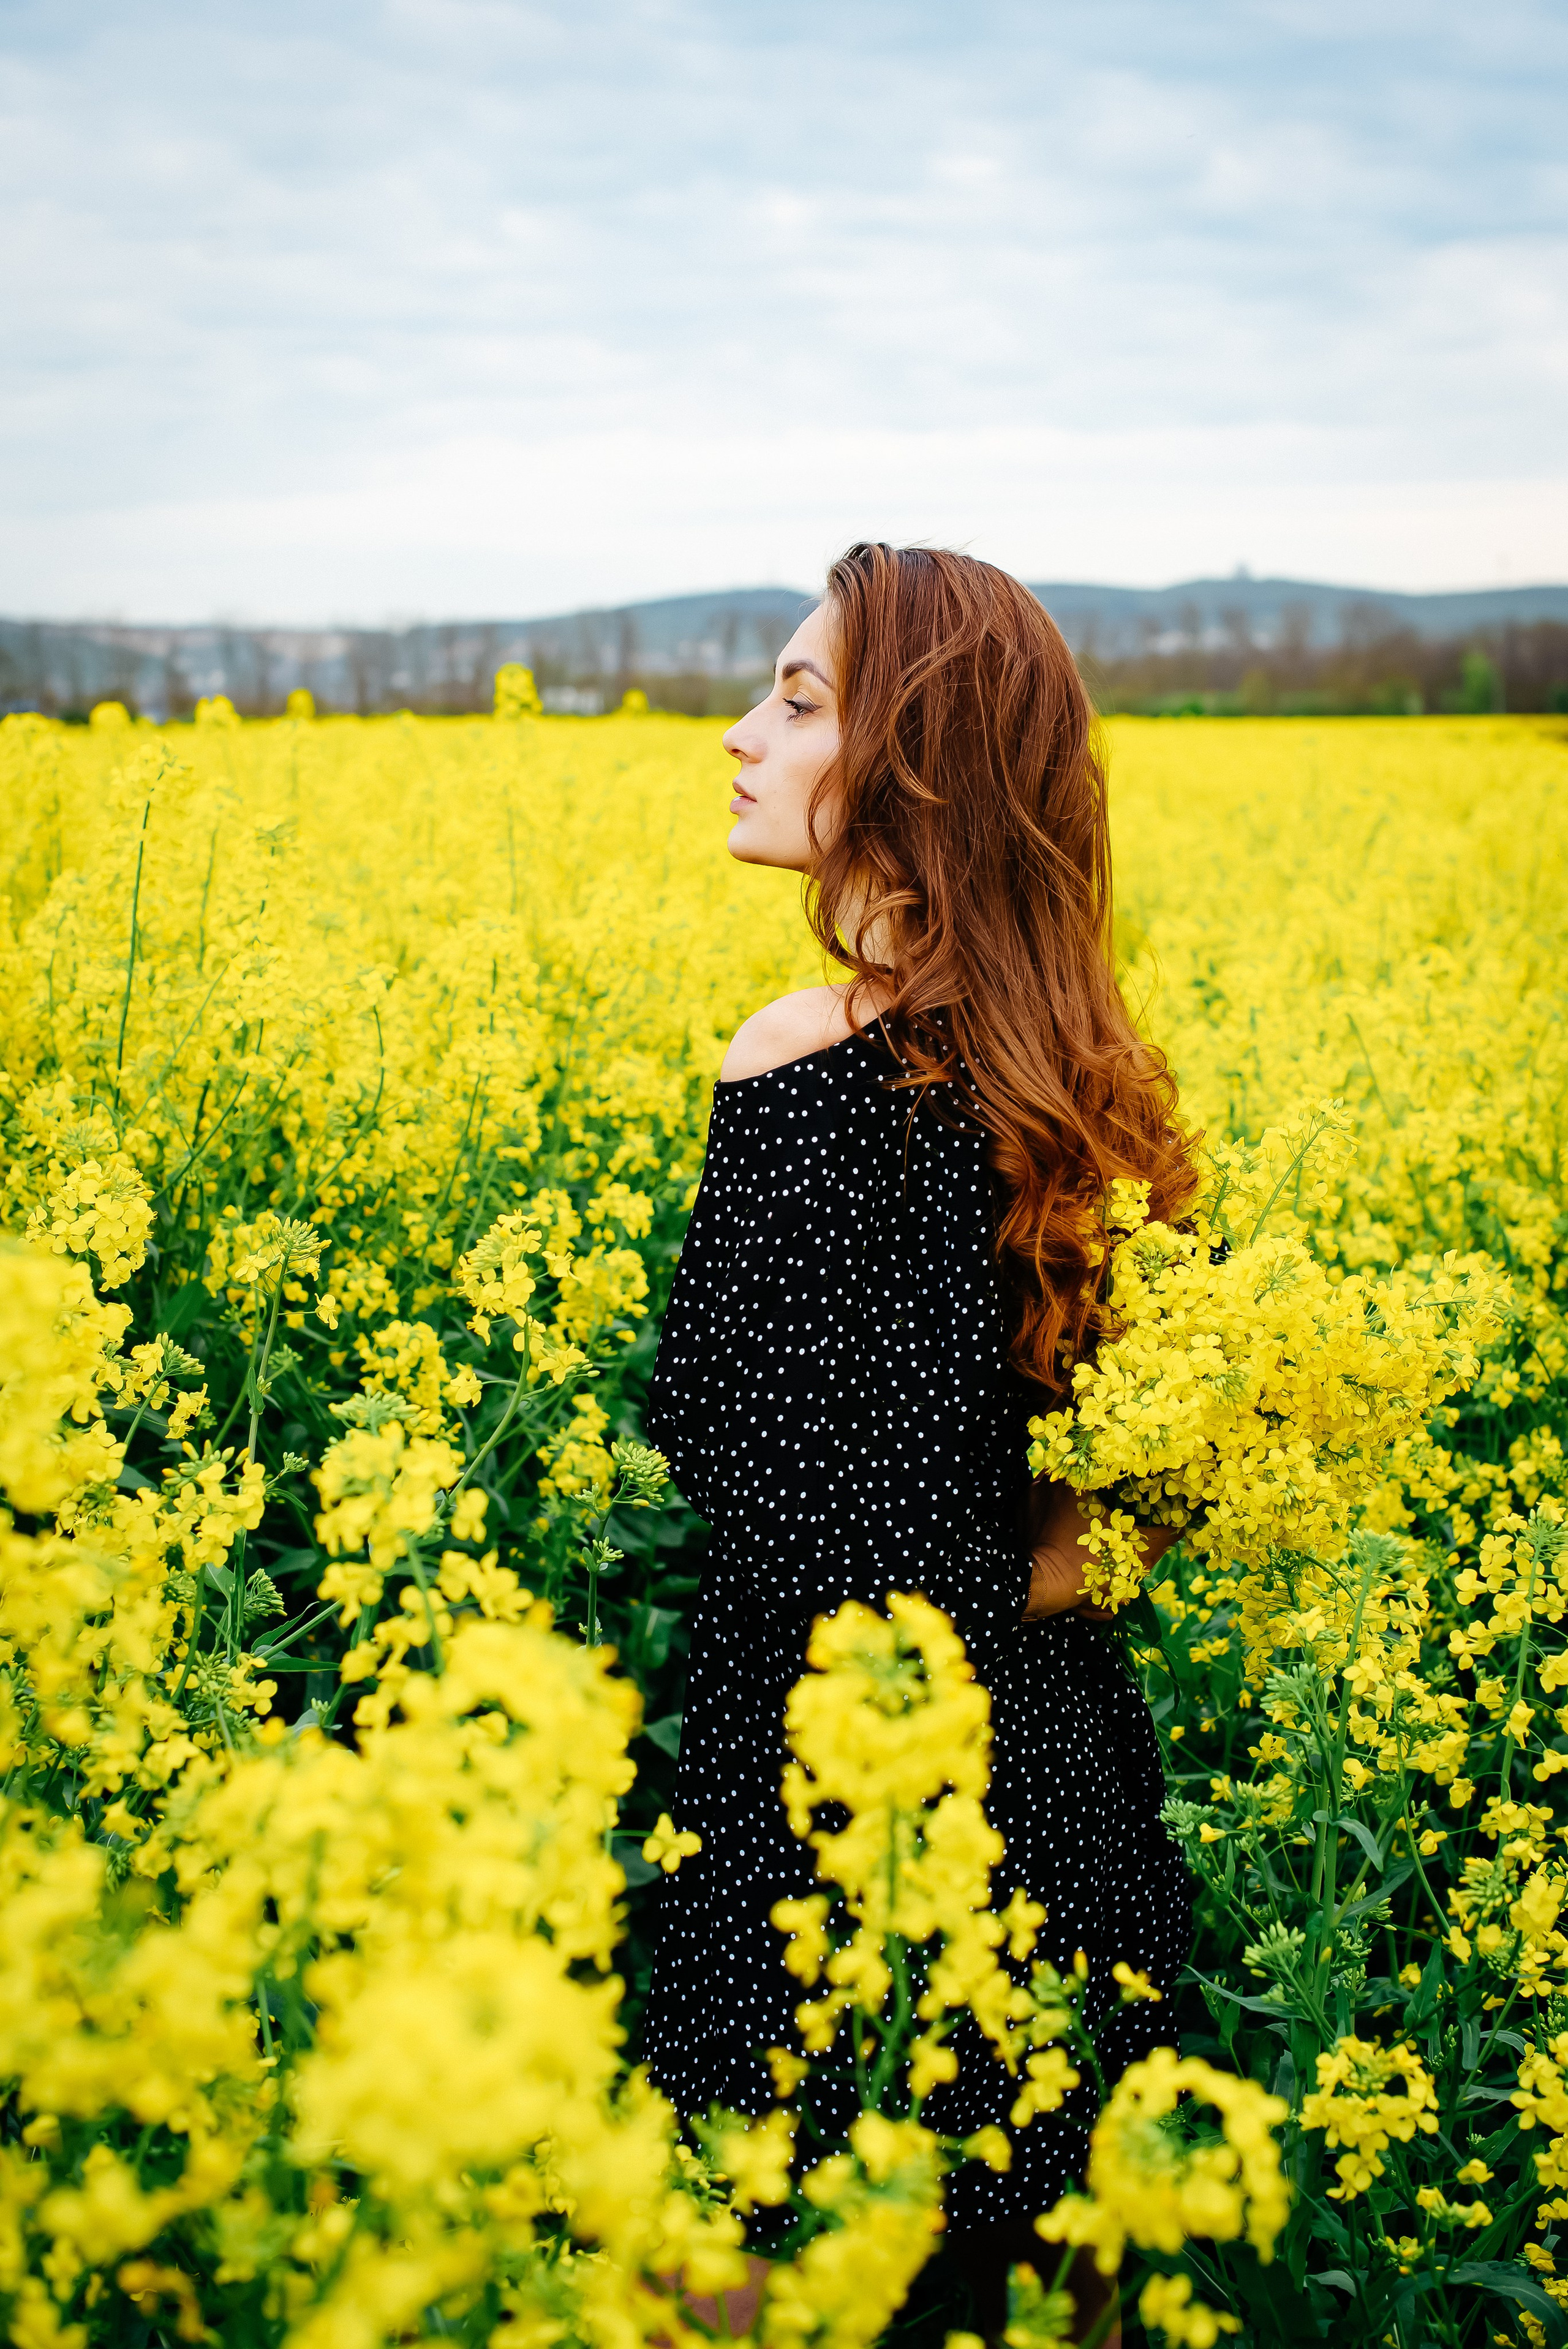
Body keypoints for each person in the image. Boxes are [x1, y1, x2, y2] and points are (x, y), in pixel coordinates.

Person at [640, 543, 1196, 2345]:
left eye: (796, 701)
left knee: (734, 2296)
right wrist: (1037, 1562)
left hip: (809, 1829)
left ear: (916, 764)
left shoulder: (798, 1061)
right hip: (1057, 1817)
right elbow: (1172, 1481)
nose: (741, 734)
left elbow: (789, 1521)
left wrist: (963, 1566)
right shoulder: (1096, 1088)